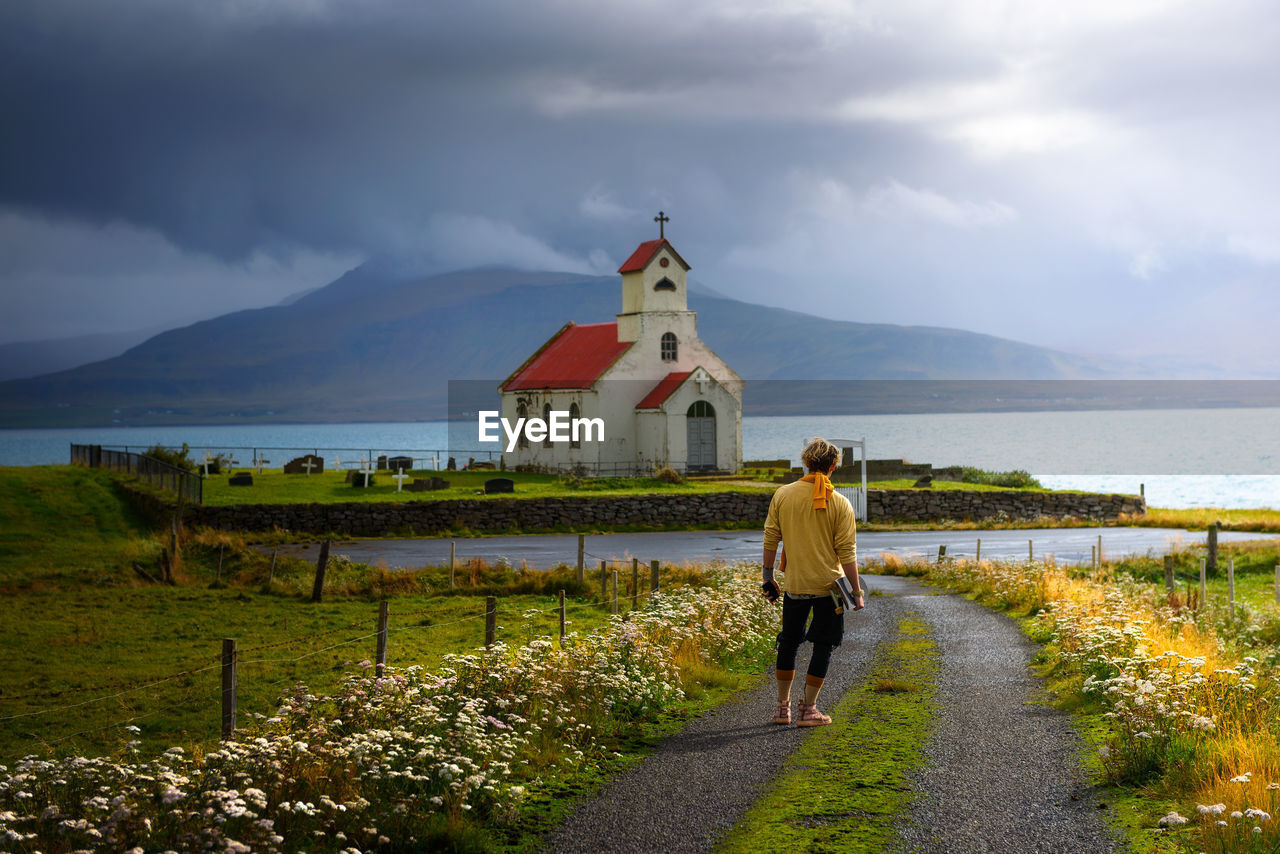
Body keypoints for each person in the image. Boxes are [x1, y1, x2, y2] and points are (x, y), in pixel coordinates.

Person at [761, 437, 863, 726]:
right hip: (830, 589)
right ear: (833, 467)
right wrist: (856, 592)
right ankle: (809, 710)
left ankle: (783, 709)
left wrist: (768, 578)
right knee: (823, 646)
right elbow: (847, 553)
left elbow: (771, 539)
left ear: (805, 463)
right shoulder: (840, 503)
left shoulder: (783, 494)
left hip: (795, 584)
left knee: (789, 643)